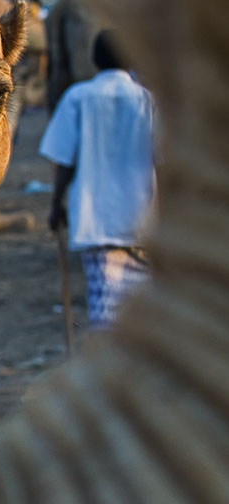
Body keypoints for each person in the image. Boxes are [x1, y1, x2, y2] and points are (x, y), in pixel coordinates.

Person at [39, 30, 156, 330]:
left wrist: (56, 205)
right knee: (145, 306)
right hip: (143, 218)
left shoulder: (78, 98)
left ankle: (114, 370)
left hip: (96, 220)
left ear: (94, 60)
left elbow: (63, 161)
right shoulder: (147, 100)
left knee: (106, 312)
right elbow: (163, 159)